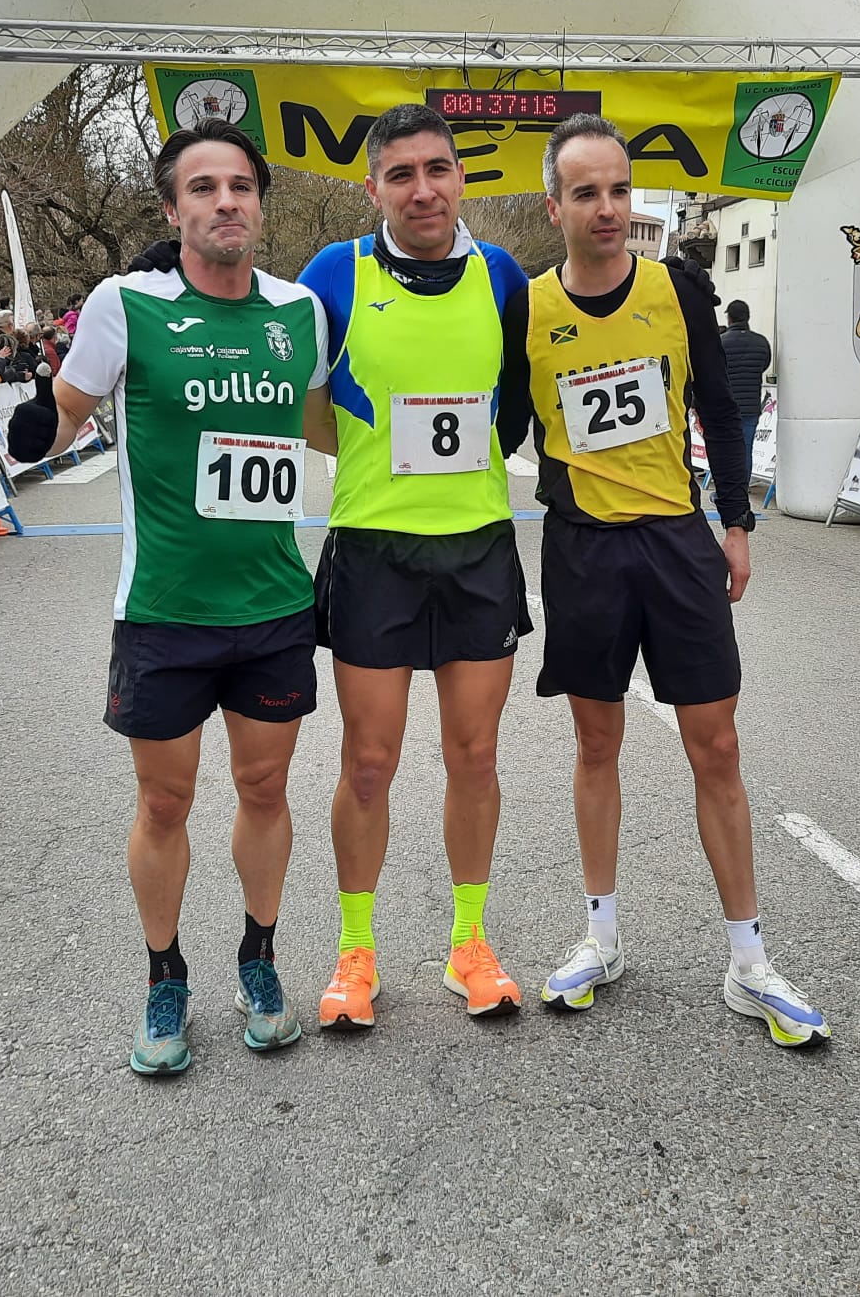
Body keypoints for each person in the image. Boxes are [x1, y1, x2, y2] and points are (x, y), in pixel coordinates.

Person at [132, 103, 536, 1029]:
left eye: (437, 169)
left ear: (461, 178)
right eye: (401, 174)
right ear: (374, 189)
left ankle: (469, 944)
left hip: (477, 547)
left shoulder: (503, 275)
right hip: (372, 554)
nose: (423, 189)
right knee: (368, 764)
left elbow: (511, 407)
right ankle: (357, 953)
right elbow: (301, 405)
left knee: (476, 756)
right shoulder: (332, 276)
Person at [4, 120, 333, 1077]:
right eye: (203, 188)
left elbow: (318, 429)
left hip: (272, 604)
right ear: (172, 208)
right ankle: (164, 974)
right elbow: (67, 410)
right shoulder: (126, 303)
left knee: (265, 789)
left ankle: (259, 960)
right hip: (162, 608)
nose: (224, 202)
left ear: (260, 203)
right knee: (164, 800)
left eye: (240, 186)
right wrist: (38, 427)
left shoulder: (300, 311)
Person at [498, 115, 829, 1049]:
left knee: (715, 746)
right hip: (584, 552)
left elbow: (720, 411)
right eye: (588, 193)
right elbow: (500, 425)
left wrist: (736, 522)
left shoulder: (677, 290)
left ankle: (749, 959)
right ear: (554, 204)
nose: (608, 209)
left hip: (677, 543)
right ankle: (600, 936)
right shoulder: (525, 305)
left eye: (620, 190)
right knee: (596, 744)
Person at [718, 299, 771, 486]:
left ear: (729, 318)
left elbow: (715, 370)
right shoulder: (761, 342)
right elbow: (764, 365)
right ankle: (742, 488)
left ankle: (727, 490)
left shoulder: (721, 342)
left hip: (726, 407)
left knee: (726, 451)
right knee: (745, 449)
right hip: (750, 407)